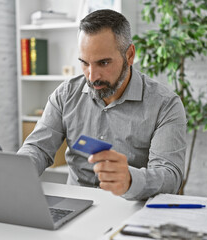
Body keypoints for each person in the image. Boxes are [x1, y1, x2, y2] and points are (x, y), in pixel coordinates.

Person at [18, 9, 187, 201]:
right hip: (75, 207)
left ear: (130, 55)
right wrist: (15, 172)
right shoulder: (66, 94)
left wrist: (130, 180)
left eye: (104, 63)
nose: (92, 76)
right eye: (85, 63)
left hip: (131, 210)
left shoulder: (165, 105)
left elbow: (170, 176)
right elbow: (38, 148)